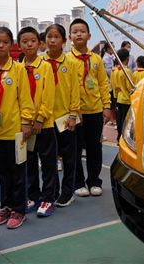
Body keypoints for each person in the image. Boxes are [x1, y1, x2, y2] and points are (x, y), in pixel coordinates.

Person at [0, 27, 34, 230]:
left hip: (15, 131)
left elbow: (25, 98)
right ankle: (6, 206)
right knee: (2, 173)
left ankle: (19, 209)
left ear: (12, 45)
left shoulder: (19, 69)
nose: (1, 45)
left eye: (5, 42)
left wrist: (26, 121)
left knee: (18, 171)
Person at [68, 19, 111, 197]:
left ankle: (94, 181)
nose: (79, 34)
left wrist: (106, 106)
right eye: (75, 31)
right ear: (70, 37)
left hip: (95, 110)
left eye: (82, 31)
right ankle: (78, 182)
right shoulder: (67, 60)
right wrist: (72, 109)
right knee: (75, 149)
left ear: (89, 35)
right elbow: (67, 88)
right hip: (75, 113)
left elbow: (102, 83)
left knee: (95, 148)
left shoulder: (96, 59)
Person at [18, 27, 57, 217]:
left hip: (44, 125)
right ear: (19, 45)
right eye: (25, 41)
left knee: (48, 163)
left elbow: (48, 96)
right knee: (29, 163)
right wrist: (24, 121)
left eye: (33, 40)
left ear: (39, 43)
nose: (29, 44)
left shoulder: (46, 66)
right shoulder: (17, 68)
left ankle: (48, 198)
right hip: (24, 126)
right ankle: (33, 195)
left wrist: (40, 119)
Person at [43, 24, 80, 207]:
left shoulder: (71, 63)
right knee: (49, 159)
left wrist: (73, 115)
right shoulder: (41, 63)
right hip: (46, 121)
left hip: (65, 118)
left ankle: (67, 192)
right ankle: (53, 191)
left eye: (56, 37)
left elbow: (75, 90)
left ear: (64, 40)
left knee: (69, 157)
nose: (52, 40)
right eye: (49, 36)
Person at [112, 49, 133, 144]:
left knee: (119, 119)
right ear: (127, 59)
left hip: (119, 98)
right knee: (126, 121)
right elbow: (129, 87)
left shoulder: (115, 70)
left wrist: (115, 97)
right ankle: (124, 139)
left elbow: (114, 86)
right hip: (126, 99)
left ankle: (119, 137)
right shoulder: (126, 71)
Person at [101, 43, 117, 124]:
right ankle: (110, 119)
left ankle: (111, 119)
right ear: (108, 49)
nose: (114, 49)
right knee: (110, 101)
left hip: (111, 82)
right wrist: (114, 81)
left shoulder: (111, 57)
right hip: (109, 83)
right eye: (112, 47)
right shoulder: (106, 58)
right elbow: (108, 71)